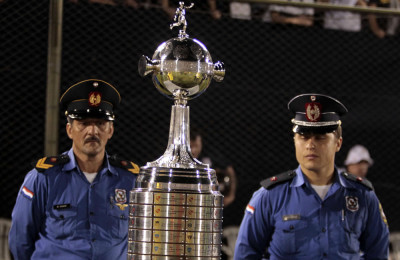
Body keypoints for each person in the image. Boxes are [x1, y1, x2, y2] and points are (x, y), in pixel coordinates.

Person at [234, 94, 389, 259]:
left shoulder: (363, 195)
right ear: (294, 140)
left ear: (338, 143)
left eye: (320, 137)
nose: (310, 144)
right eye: (303, 136)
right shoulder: (269, 196)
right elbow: (245, 255)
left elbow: (378, 254)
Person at [9, 79, 140, 260]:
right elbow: (20, 240)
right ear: (70, 130)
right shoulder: (43, 178)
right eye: (84, 123)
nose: (92, 131)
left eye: (100, 123)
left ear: (110, 130)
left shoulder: (130, 181)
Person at [190, 127, 237, 207]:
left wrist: (231, 195)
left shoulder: (210, 154)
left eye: (196, 146)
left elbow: (230, 170)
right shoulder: (180, 158)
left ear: (201, 142)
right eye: (191, 146)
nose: (194, 150)